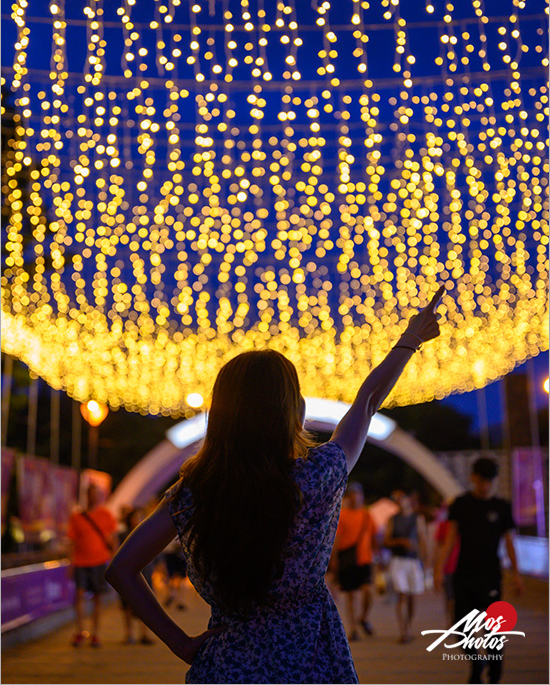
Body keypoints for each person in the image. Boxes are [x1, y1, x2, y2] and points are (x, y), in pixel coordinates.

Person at [106, 285, 445, 684]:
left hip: (226, 667)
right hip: (312, 664)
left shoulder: (196, 491)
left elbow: (122, 569)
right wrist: (409, 340)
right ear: (293, 411)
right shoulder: (320, 473)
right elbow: (366, 403)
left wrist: (180, 643)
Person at [435, 457, 523, 685]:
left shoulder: (501, 507)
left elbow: (510, 543)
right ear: (473, 478)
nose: (485, 485)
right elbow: (450, 539)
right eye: (482, 479)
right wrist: (439, 570)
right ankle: (476, 663)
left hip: (491, 576)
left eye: (490, 481)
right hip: (463, 576)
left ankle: (494, 675)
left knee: (493, 633)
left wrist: (516, 575)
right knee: (461, 629)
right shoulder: (461, 504)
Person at [67, 483, 118, 648]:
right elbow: (72, 542)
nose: (94, 497)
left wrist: (115, 558)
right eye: (91, 494)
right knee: (79, 596)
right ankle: (80, 631)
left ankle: (95, 633)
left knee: (97, 598)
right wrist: (70, 563)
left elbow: (112, 538)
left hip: (99, 560)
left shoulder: (105, 514)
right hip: (81, 562)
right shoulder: (77, 517)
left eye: (96, 494)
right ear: (87, 495)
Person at [333, 481, 376, 640]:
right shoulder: (342, 515)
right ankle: (353, 629)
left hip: (365, 559)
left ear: (362, 496)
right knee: (350, 595)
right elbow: (337, 539)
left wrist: (377, 555)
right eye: (351, 495)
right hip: (347, 559)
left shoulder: (367, 515)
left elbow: (373, 536)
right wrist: (334, 559)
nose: (355, 498)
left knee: (368, 591)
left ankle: (363, 618)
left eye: (357, 494)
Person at [384, 489, 428, 643]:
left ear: (408, 499)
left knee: (411, 597)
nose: (399, 501)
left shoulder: (417, 519)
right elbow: (386, 541)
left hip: (413, 561)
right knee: (401, 594)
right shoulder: (393, 519)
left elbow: (423, 540)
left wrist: (426, 561)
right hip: (398, 560)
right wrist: (401, 542)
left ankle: (408, 626)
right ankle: (405, 630)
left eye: (401, 498)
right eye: (396, 499)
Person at [119, 507, 155, 644]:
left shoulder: (148, 533)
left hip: (145, 571)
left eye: (140, 517)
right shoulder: (123, 535)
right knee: (127, 603)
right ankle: (129, 634)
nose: (137, 520)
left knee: (145, 603)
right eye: (135, 517)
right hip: (128, 573)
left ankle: (144, 634)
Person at [434, 503, 460, 626]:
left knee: (459, 597)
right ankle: (451, 621)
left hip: (463, 566)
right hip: (449, 566)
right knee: (449, 597)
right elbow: (439, 546)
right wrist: (438, 567)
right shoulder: (443, 525)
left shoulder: (465, 524)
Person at [162, 535, 188, 610]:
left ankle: (179, 599)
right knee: (170, 576)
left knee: (182, 577)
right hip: (170, 552)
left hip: (179, 551)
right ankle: (174, 595)